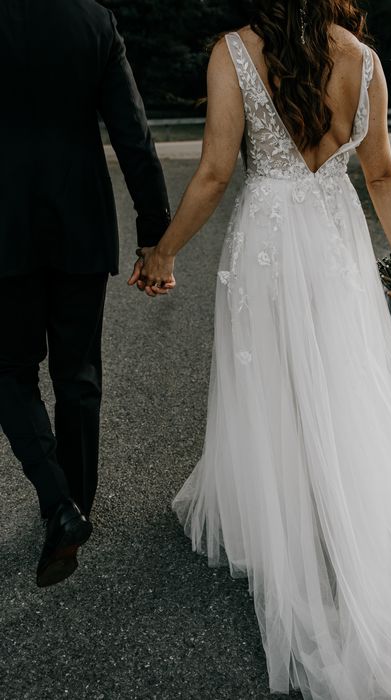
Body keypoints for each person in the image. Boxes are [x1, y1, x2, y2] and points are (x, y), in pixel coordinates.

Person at [132, 1, 391, 697]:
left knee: (267, 381)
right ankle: (339, 521)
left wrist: (163, 252)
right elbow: (382, 173)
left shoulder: (233, 51)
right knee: (345, 380)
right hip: (335, 239)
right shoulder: (365, 60)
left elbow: (212, 173)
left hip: (267, 239)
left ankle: (280, 523)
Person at [0, 0, 171, 587]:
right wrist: (155, 230)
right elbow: (132, 132)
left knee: (8, 369)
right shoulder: (93, 20)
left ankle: (59, 505)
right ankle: (76, 506)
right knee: (78, 375)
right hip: (81, 222)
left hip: (4, 227)